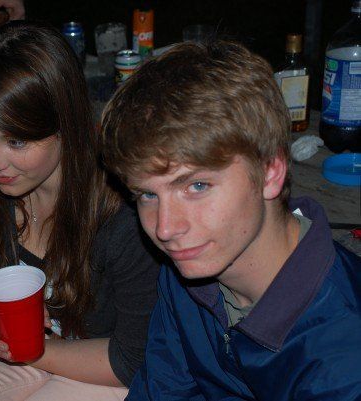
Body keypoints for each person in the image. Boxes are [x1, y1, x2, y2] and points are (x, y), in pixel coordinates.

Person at [0, 21, 161, 401]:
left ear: (66, 126)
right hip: (24, 351)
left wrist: (22, 346)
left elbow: (132, 361)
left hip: (106, 369)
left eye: (17, 140)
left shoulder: (124, 217)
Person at [100, 40, 361, 400]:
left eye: (197, 185)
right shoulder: (189, 270)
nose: (165, 228)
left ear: (271, 171)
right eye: (147, 194)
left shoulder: (343, 353)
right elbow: (163, 389)